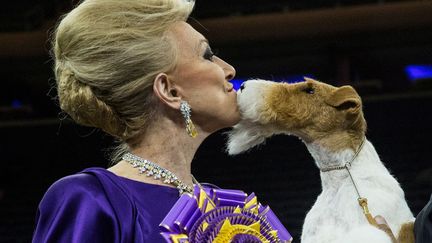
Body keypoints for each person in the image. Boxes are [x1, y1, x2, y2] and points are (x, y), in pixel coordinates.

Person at [32, 0, 239, 242]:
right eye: (207, 55)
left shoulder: (226, 208)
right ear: (169, 90)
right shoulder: (94, 200)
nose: (229, 69)